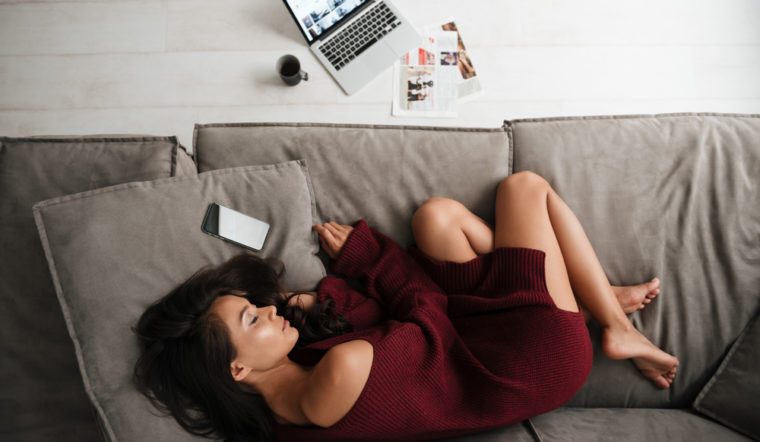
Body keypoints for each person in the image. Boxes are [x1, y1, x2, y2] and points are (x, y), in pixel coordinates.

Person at [133, 171, 677, 441]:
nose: (270, 311)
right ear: (238, 367)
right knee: (524, 189)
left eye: (257, 306)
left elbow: (384, 323)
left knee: (436, 219)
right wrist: (368, 258)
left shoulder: (289, 413)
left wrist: (311, 304)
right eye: (254, 318)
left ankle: (584, 299)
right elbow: (427, 310)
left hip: (472, 344)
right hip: (528, 364)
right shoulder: (341, 367)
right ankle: (608, 322)